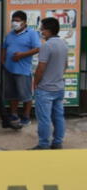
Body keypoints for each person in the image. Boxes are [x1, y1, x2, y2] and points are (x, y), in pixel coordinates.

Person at [30, 17, 67, 150]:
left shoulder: (46, 46)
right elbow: (65, 65)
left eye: (42, 28)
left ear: (48, 30)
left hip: (45, 89)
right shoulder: (63, 44)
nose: (41, 31)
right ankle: (57, 142)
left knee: (44, 118)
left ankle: (43, 144)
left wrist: (35, 82)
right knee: (58, 116)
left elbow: (40, 68)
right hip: (59, 87)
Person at [2, 10, 41, 127]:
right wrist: (3, 61)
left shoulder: (32, 33)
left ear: (24, 22)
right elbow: (4, 47)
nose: (14, 23)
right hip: (9, 69)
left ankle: (26, 116)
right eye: (13, 20)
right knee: (12, 94)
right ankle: (14, 114)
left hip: (23, 70)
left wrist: (22, 55)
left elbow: (38, 48)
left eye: (17, 21)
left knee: (25, 95)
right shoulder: (10, 34)